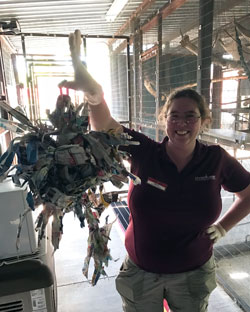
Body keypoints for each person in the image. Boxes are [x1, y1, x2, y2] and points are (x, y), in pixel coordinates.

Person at [59, 29, 250, 312]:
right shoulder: (146, 152)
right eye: (174, 116)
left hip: (193, 275)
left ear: (203, 121)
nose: (181, 123)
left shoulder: (216, 159)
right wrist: (94, 95)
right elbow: (105, 128)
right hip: (141, 274)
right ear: (164, 120)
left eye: (190, 116)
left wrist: (223, 227)